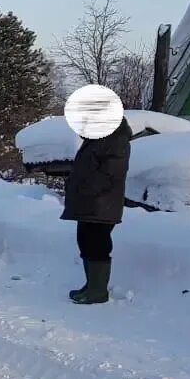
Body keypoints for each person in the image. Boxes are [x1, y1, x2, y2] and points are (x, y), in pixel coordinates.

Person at [62, 115, 131, 304]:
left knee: (97, 243)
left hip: (102, 204)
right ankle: (91, 284)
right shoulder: (97, 140)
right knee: (85, 241)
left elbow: (111, 172)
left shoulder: (116, 140)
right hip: (90, 203)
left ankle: (98, 291)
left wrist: (86, 187)